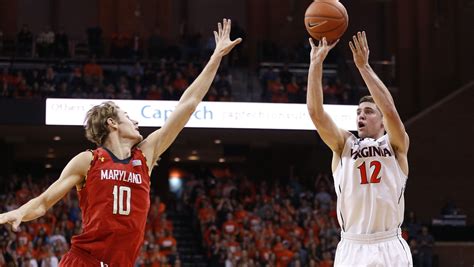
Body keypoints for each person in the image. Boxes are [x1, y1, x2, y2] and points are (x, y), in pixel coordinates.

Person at [0, 19, 241, 266]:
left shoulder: (146, 155)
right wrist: (18, 212)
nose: (135, 121)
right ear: (112, 124)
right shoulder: (88, 160)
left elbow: (187, 105)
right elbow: (43, 203)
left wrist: (216, 58)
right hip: (84, 261)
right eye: (127, 116)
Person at [306, 32, 412, 266]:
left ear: (381, 120)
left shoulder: (396, 145)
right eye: (358, 112)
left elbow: (391, 111)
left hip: (389, 244)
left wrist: (364, 67)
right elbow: (315, 113)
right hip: (353, 245)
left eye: (368, 111)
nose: (360, 115)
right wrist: (315, 64)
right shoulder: (343, 144)